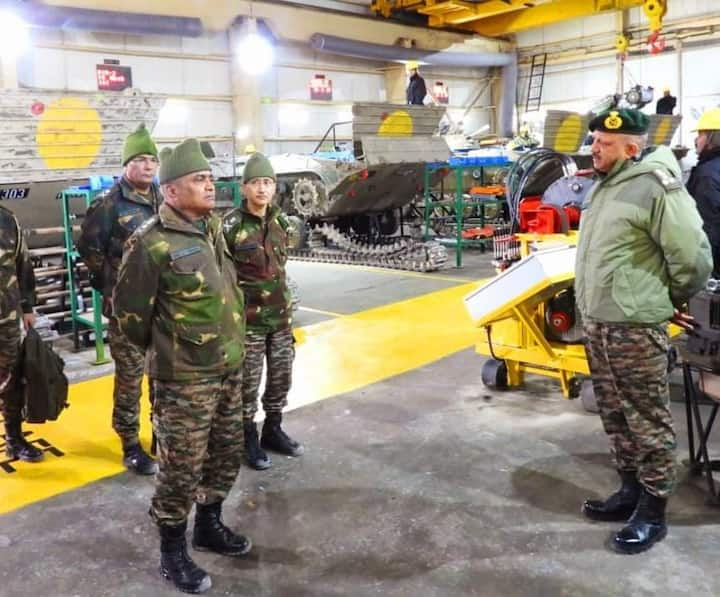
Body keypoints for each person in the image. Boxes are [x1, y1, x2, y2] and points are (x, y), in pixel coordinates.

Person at [113, 138, 250, 593]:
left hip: (229, 368)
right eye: (199, 179)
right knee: (180, 467)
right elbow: (130, 317)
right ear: (171, 191)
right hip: (185, 380)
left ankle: (208, 525)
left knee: (226, 453)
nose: (210, 185)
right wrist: (175, 353)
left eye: (210, 178)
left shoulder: (212, 229)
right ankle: (172, 550)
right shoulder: (151, 243)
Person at [575, 108, 712, 554]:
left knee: (646, 419)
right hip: (598, 321)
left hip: (634, 325)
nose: (595, 147)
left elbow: (692, 259)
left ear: (632, 147)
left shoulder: (655, 186)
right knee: (615, 416)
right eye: (594, 138)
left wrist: (664, 298)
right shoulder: (605, 187)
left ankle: (653, 510)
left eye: (605, 142)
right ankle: (629, 491)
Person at [77, 123, 161, 475]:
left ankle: (161, 433)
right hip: (127, 312)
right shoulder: (109, 204)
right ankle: (129, 442)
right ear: (127, 165)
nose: (148, 166)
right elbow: (88, 249)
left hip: (163, 307)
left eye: (152, 160)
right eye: (140, 160)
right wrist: (112, 288)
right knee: (130, 379)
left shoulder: (162, 198)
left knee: (162, 374)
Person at [223, 153, 303, 470]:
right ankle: (248, 438)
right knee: (247, 385)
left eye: (267, 182)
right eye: (255, 182)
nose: (262, 189)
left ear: (274, 188)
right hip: (249, 323)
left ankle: (273, 429)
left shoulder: (282, 222)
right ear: (244, 188)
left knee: (281, 379)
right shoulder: (229, 227)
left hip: (280, 320)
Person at [0, 206, 43, 463]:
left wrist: (27, 306)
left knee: (12, 380)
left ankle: (14, 439)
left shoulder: (6, 218)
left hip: (6, 316)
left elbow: (22, 264)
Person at [687, 107, 720, 277]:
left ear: (711, 138)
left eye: (700, 135)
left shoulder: (706, 174)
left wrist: (707, 272)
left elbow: (706, 226)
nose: (696, 140)